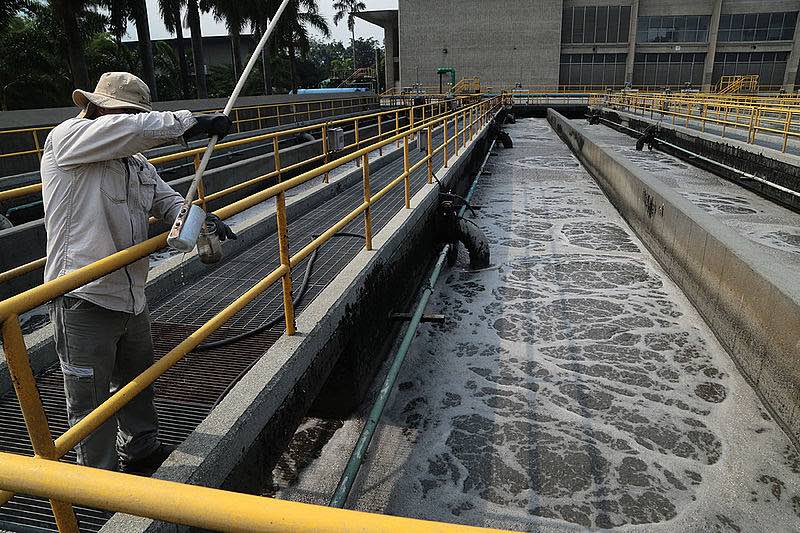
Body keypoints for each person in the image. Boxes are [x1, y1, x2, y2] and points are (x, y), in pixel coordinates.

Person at [41, 72, 232, 474]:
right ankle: (98, 485)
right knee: (90, 404)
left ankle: (143, 452)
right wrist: (193, 122)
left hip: (131, 295)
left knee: (137, 385)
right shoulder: (67, 140)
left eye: (132, 114)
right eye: (121, 114)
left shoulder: (136, 164)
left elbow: (167, 200)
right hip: (83, 297)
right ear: (97, 109)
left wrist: (201, 220)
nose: (127, 123)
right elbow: (132, 130)